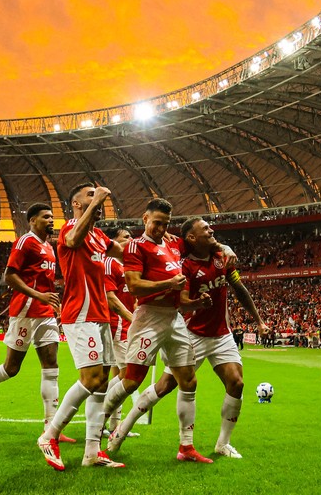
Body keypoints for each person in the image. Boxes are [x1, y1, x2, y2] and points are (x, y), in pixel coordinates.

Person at [107, 217, 269, 459]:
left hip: (221, 333)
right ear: (192, 238)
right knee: (165, 386)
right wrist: (197, 303)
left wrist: (259, 321)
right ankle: (122, 427)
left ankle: (223, 444)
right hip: (193, 333)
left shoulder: (222, 258)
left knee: (237, 383)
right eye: (205, 229)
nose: (211, 230)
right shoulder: (184, 265)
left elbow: (239, 289)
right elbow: (181, 302)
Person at [100, 198, 212, 464]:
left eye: (166, 224)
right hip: (148, 318)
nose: (161, 228)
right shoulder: (136, 247)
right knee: (132, 381)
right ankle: (99, 422)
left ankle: (186, 447)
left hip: (174, 318)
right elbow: (136, 287)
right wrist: (169, 283)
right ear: (145, 219)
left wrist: (195, 302)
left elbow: (200, 241)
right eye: (157, 223)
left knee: (189, 380)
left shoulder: (173, 244)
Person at [0, 203, 75, 443]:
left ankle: (51, 429)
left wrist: (51, 302)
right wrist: (39, 296)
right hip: (25, 312)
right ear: (32, 220)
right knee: (11, 369)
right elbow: (9, 276)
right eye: (45, 217)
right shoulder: (25, 242)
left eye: (52, 217)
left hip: (45, 314)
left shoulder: (49, 247)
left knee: (51, 367)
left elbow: (45, 284)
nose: (51, 221)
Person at [36, 183, 127, 471]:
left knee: (100, 385)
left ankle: (92, 451)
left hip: (101, 315)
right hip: (80, 314)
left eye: (96, 195)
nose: (97, 199)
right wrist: (97, 199)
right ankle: (49, 436)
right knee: (89, 379)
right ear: (76, 203)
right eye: (89, 195)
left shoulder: (99, 235)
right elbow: (74, 240)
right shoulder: (69, 228)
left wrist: (158, 243)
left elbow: (126, 252)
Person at [103, 228, 136, 436]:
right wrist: (129, 318)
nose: (130, 240)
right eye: (126, 237)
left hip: (125, 325)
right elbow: (110, 297)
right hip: (114, 325)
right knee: (127, 375)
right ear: (113, 241)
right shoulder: (109, 262)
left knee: (121, 374)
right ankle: (99, 409)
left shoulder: (127, 265)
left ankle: (114, 426)